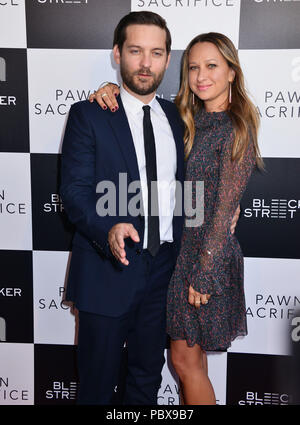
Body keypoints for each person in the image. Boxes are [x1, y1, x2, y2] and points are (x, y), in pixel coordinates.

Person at [91, 32, 262, 405]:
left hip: (205, 258)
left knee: (185, 364)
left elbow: (221, 212)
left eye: (212, 66)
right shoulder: (187, 118)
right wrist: (109, 87)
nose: (201, 76)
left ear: (232, 72)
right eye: (194, 67)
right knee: (189, 361)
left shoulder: (236, 128)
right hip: (180, 254)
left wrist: (204, 271)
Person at [60, 11, 185, 405]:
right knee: (96, 385)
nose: (146, 63)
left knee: (146, 380)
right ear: (117, 54)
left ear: (167, 59)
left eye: (156, 53)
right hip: (106, 269)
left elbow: (190, 192)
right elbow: (74, 193)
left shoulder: (180, 120)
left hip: (164, 271)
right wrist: (108, 229)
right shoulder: (89, 115)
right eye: (136, 51)